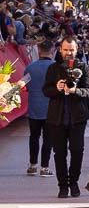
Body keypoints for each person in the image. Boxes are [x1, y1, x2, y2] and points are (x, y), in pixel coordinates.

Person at [44, 36, 89, 198]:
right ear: (60, 50)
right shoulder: (53, 68)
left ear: (77, 50)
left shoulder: (83, 67)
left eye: (71, 50)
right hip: (56, 118)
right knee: (59, 153)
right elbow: (46, 90)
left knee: (77, 151)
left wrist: (75, 91)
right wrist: (57, 88)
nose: (68, 53)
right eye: (65, 50)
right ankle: (63, 186)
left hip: (77, 118)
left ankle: (74, 182)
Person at [23, 39, 54, 176]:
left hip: (34, 107)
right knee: (48, 138)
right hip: (51, 109)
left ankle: (32, 165)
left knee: (34, 136)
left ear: (39, 51)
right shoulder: (56, 67)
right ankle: (45, 167)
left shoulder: (30, 68)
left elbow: (25, 86)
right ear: (52, 51)